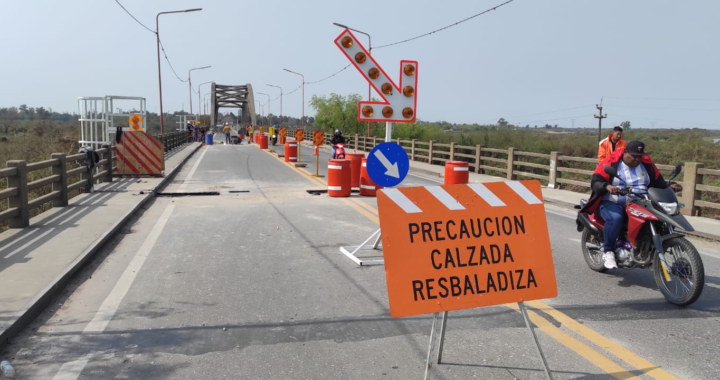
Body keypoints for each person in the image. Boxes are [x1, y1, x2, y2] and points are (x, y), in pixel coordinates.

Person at [580, 140, 682, 269]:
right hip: (612, 201)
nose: (637, 159)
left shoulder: (646, 164)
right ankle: (608, 251)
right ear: (625, 152)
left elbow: (658, 182)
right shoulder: (611, 162)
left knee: (660, 218)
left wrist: (670, 186)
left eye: (639, 156)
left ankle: (647, 249)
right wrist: (607, 186)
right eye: (633, 156)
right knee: (616, 218)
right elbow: (595, 182)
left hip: (641, 201)